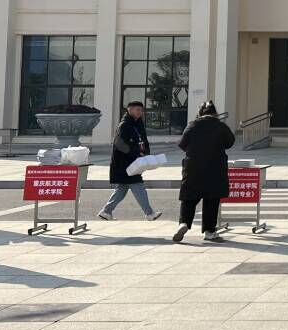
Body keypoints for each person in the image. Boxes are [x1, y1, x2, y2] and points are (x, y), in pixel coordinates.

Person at [173, 101, 235, 243]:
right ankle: (209, 232)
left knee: (189, 198)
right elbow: (230, 143)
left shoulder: (192, 125)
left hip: (193, 168)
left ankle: (183, 223)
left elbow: (182, 144)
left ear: (200, 112)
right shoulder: (221, 126)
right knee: (212, 200)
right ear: (215, 113)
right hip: (215, 168)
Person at [99, 101, 161, 221]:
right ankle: (149, 213)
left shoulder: (138, 123)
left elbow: (143, 140)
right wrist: (136, 152)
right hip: (124, 163)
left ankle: (106, 211)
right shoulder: (125, 125)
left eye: (141, 110)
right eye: (137, 109)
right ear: (129, 109)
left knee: (122, 189)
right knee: (138, 185)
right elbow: (119, 144)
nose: (140, 112)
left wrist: (146, 152)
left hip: (134, 161)